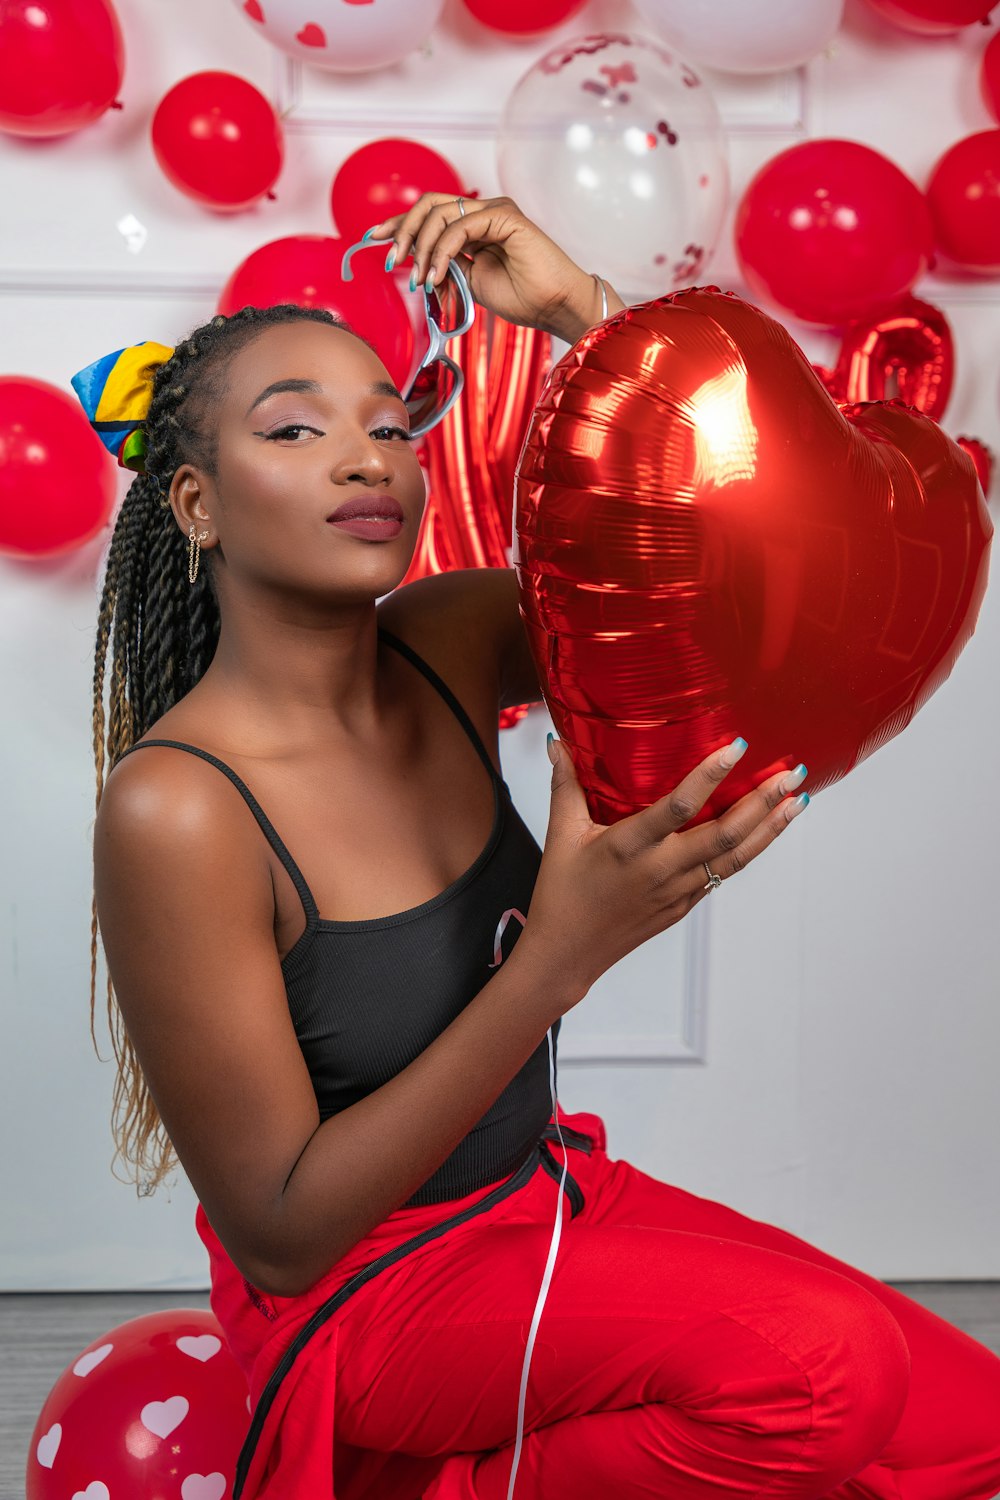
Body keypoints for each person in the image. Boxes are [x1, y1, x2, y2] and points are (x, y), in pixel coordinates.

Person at [84, 194, 1000, 1500]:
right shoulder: (177, 806)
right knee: (828, 1376)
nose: (368, 459)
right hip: (368, 1304)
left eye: (390, 425)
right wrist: (555, 962)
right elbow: (283, 1236)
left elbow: (709, 539)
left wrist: (581, 314)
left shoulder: (453, 638)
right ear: (197, 504)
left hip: (546, 1202)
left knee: (971, 1423)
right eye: (297, 428)